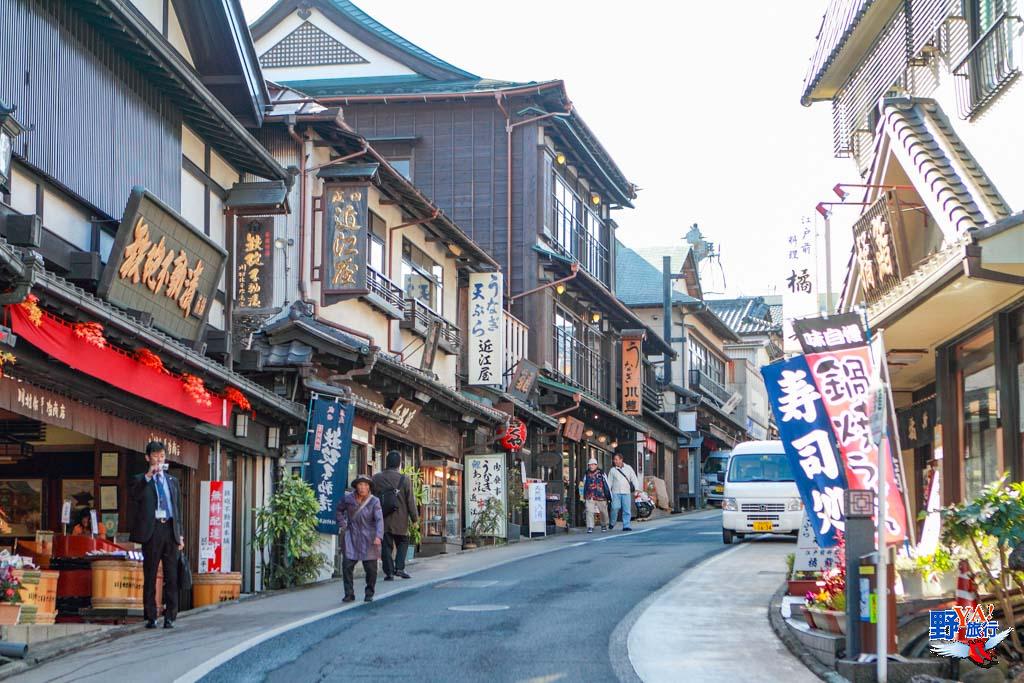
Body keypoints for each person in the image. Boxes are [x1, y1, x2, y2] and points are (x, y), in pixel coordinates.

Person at [129, 441, 184, 629]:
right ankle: (151, 615)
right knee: (150, 574)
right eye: (155, 456)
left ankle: (171, 615)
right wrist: (148, 476)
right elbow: (134, 496)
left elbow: (177, 509)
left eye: (162, 456)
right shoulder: (140, 480)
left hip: (169, 529)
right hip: (152, 532)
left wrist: (180, 535)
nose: (159, 460)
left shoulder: (172, 481)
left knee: (172, 575)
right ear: (147, 458)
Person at [372, 451, 419, 581]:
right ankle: (399, 568)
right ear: (399, 464)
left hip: (383, 518)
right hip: (401, 519)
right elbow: (410, 501)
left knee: (386, 546)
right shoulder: (404, 479)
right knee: (403, 542)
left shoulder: (376, 478)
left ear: (386, 462)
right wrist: (414, 518)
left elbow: (373, 498)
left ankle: (389, 573)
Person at [336, 475, 383, 603]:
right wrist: (343, 525)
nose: (362, 487)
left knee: (371, 568)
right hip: (352, 535)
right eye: (360, 485)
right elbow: (339, 510)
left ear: (369, 487)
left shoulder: (374, 501)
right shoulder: (348, 499)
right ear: (356, 486)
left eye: (365, 485)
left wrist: (379, 536)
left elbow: (379, 520)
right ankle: (349, 594)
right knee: (347, 566)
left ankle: (369, 592)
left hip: (369, 537)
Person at [607, 452, 641, 532]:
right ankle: (612, 522)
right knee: (615, 508)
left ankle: (626, 525)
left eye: (616, 459)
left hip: (626, 492)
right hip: (615, 492)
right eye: (614, 460)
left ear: (621, 460)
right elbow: (609, 482)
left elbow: (634, 478)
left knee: (627, 510)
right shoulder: (612, 470)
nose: (615, 461)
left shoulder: (628, 468)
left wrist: (637, 488)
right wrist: (608, 493)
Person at [580, 458, 611, 533]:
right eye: (590, 465)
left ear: (596, 465)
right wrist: (582, 495)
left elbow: (607, 484)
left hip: (601, 495)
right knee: (589, 511)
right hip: (590, 495)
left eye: (593, 464)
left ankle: (604, 525)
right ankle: (590, 526)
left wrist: (609, 495)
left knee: (603, 511)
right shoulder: (586, 474)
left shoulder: (602, 473)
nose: (591, 466)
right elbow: (583, 485)